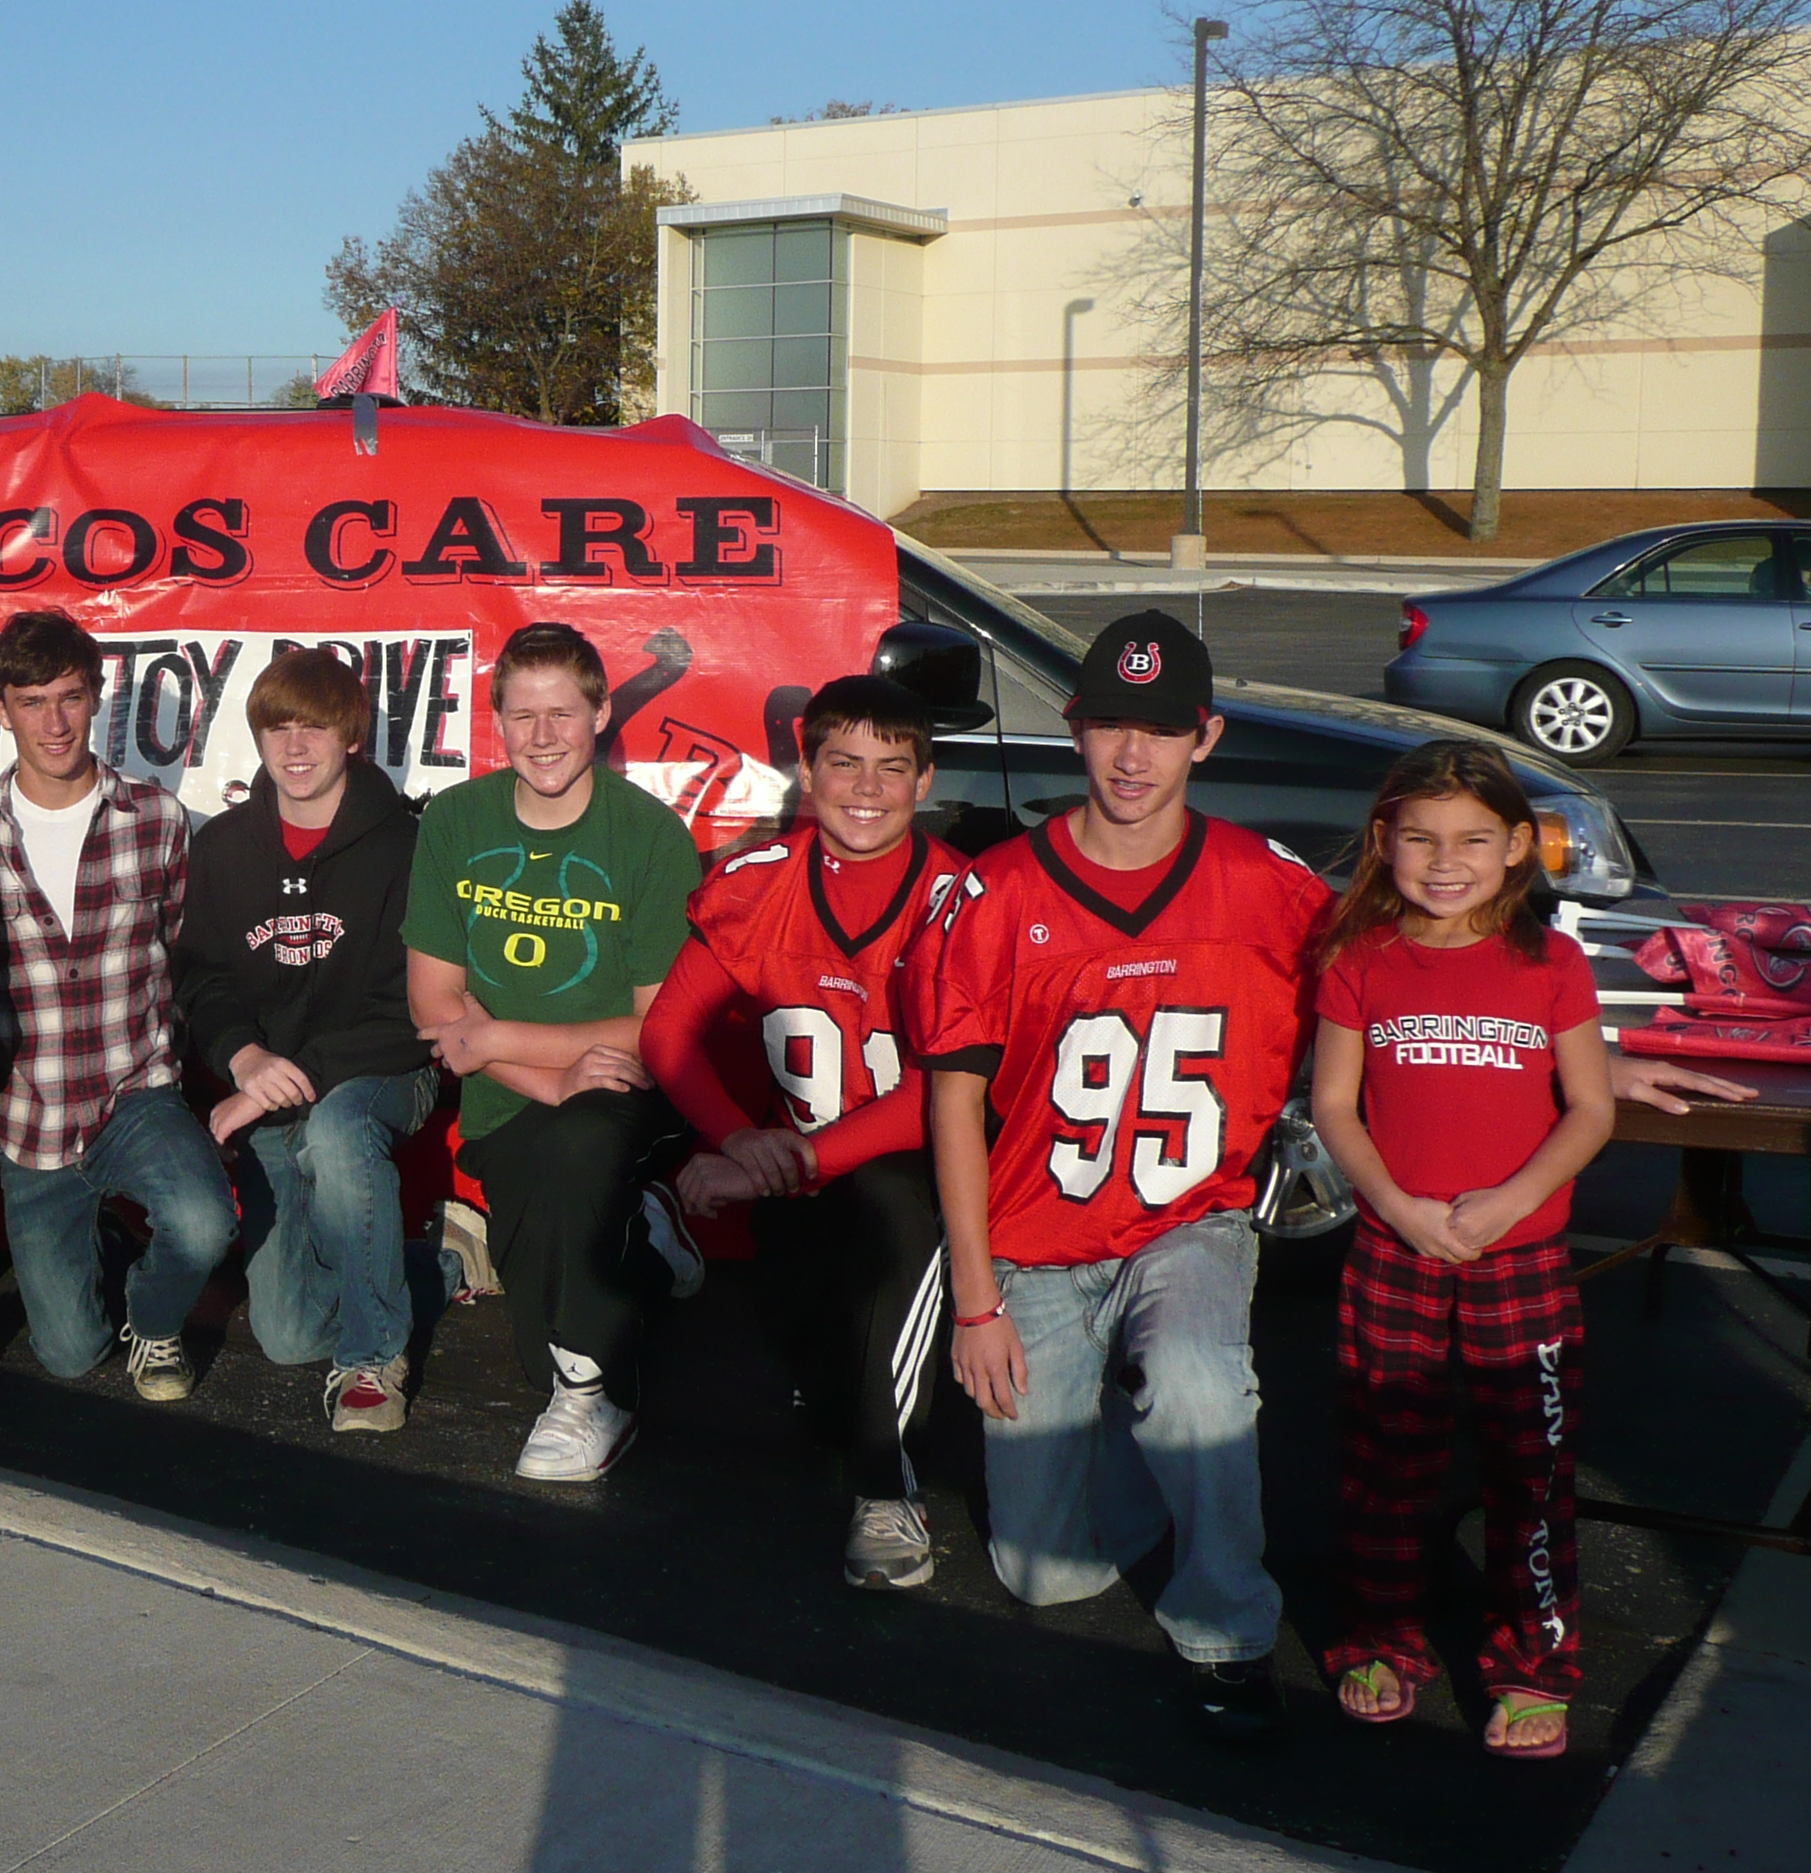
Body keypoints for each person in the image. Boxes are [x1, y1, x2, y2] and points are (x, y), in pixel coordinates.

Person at [917, 610, 1331, 1742]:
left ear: (1207, 735)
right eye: (1109, 726)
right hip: (1037, 1234)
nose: (1132, 755)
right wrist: (974, 1299)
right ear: (1074, 727)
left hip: (1188, 1221)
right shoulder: (999, 894)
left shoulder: (1270, 886)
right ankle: (1124, 1434)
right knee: (1045, 1574)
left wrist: (1594, 1045)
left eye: (1160, 729)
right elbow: (953, 1098)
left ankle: (1230, 1631)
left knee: (1199, 1378)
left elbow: (1406, 984)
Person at [1307, 741, 1611, 1760]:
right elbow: (1335, 1106)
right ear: (1384, 841)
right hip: (1394, 1252)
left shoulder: (1550, 962)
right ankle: (1380, 1639)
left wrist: (1504, 1205)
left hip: (1518, 1261)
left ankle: (1533, 1665)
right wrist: (1395, 1203)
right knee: (1387, 1460)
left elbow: (1591, 1109)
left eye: (1475, 839)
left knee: (1532, 1471)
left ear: (1519, 846)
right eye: (1422, 839)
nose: (1447, 860)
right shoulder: (1359, 959)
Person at [643, 673, 970, 1585]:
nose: (866, 789)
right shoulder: (759, 882)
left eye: (890, 768)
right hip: (794, 1177)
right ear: (807, 766)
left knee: (893, 1217)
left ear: (926, 781)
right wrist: (735, 1139)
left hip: (912, 1165)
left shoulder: (960, 903)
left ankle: (885, 1491)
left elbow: (946, 1089)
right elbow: (669, 1031)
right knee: (815, 1384)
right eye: (845, 763)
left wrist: (773, 1163)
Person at [403, 622, 704, 1482]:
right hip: (512, 1097)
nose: (543, 737)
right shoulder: (457, 820)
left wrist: (498, 1036)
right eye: (523, 715)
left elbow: (654, 1025)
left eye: (563, 714)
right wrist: (543, 1074)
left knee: (580, 1154)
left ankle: (593, 1397)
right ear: (496, 721)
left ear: (602, 714)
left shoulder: (648, 835)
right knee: (535, 1336)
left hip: (622, 1095)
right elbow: (433, 1003)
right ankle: (642, 1242)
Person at [0, 608, 237, 1400]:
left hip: (134, 1091)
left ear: (97, 697)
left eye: (70, 697)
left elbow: (186, 954)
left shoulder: (157, 820)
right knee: (69, 1354)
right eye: (32, 701)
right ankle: (96, 1241)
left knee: (207, 1224)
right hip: (30, 1119)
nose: (54, 721)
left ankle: (156, 1320)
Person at [177, 646, 436, 1432]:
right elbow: (201, 977)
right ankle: (441, 1258)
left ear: (352, 735)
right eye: (278, 729)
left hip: (382, 1071)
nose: (294, 749)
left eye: (315, 730)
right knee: (287, 1338)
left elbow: (412, 1010)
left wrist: (299, 1075)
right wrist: (244, 1059)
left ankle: (371, 1360)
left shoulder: (404, 845)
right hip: (269, 1087)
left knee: (336, 1131)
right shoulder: (224, 846)